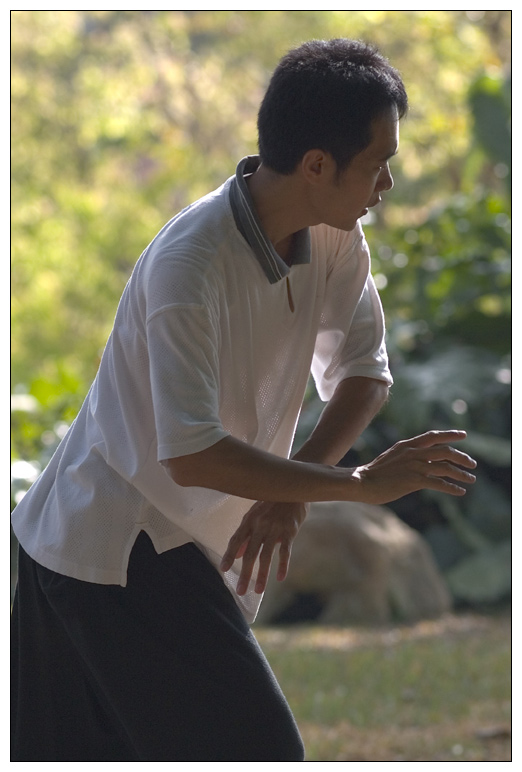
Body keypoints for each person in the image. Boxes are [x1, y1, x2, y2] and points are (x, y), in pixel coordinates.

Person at [10, 38, 477, 761]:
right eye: (377, 162)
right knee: (259, 751)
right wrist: (355, 484)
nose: (387, 182)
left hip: (161, 545)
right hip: (112, 543)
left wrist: (297, 488)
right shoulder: (189, 265)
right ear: (317, 166)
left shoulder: (334, 235)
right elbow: (192, 454)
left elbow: (362, 369)